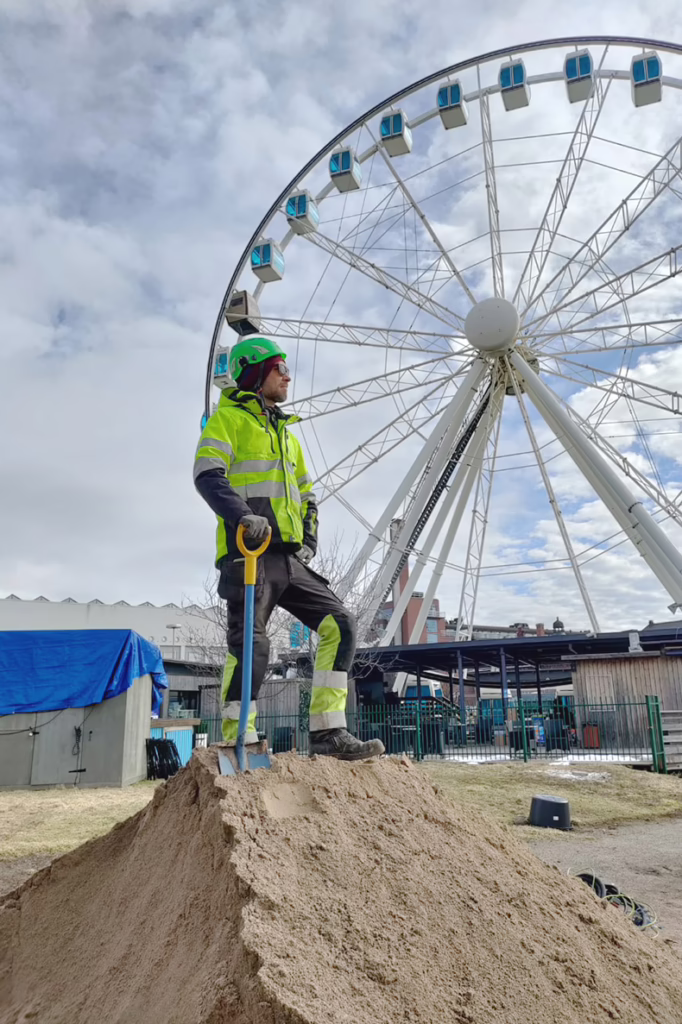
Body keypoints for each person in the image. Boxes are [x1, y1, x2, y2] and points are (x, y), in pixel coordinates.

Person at [194, 334, 385, 761]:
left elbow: (308, 495)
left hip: (289, 558)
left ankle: (327, 732)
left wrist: (310, 540)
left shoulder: (288, 436)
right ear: (256, 373)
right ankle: (239, 736)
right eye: (280, 368)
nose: (287, 375)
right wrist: (243, 516)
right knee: (252, 646)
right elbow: (208, 475)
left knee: (341, 624)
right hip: (248, 552)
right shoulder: (227, 422)